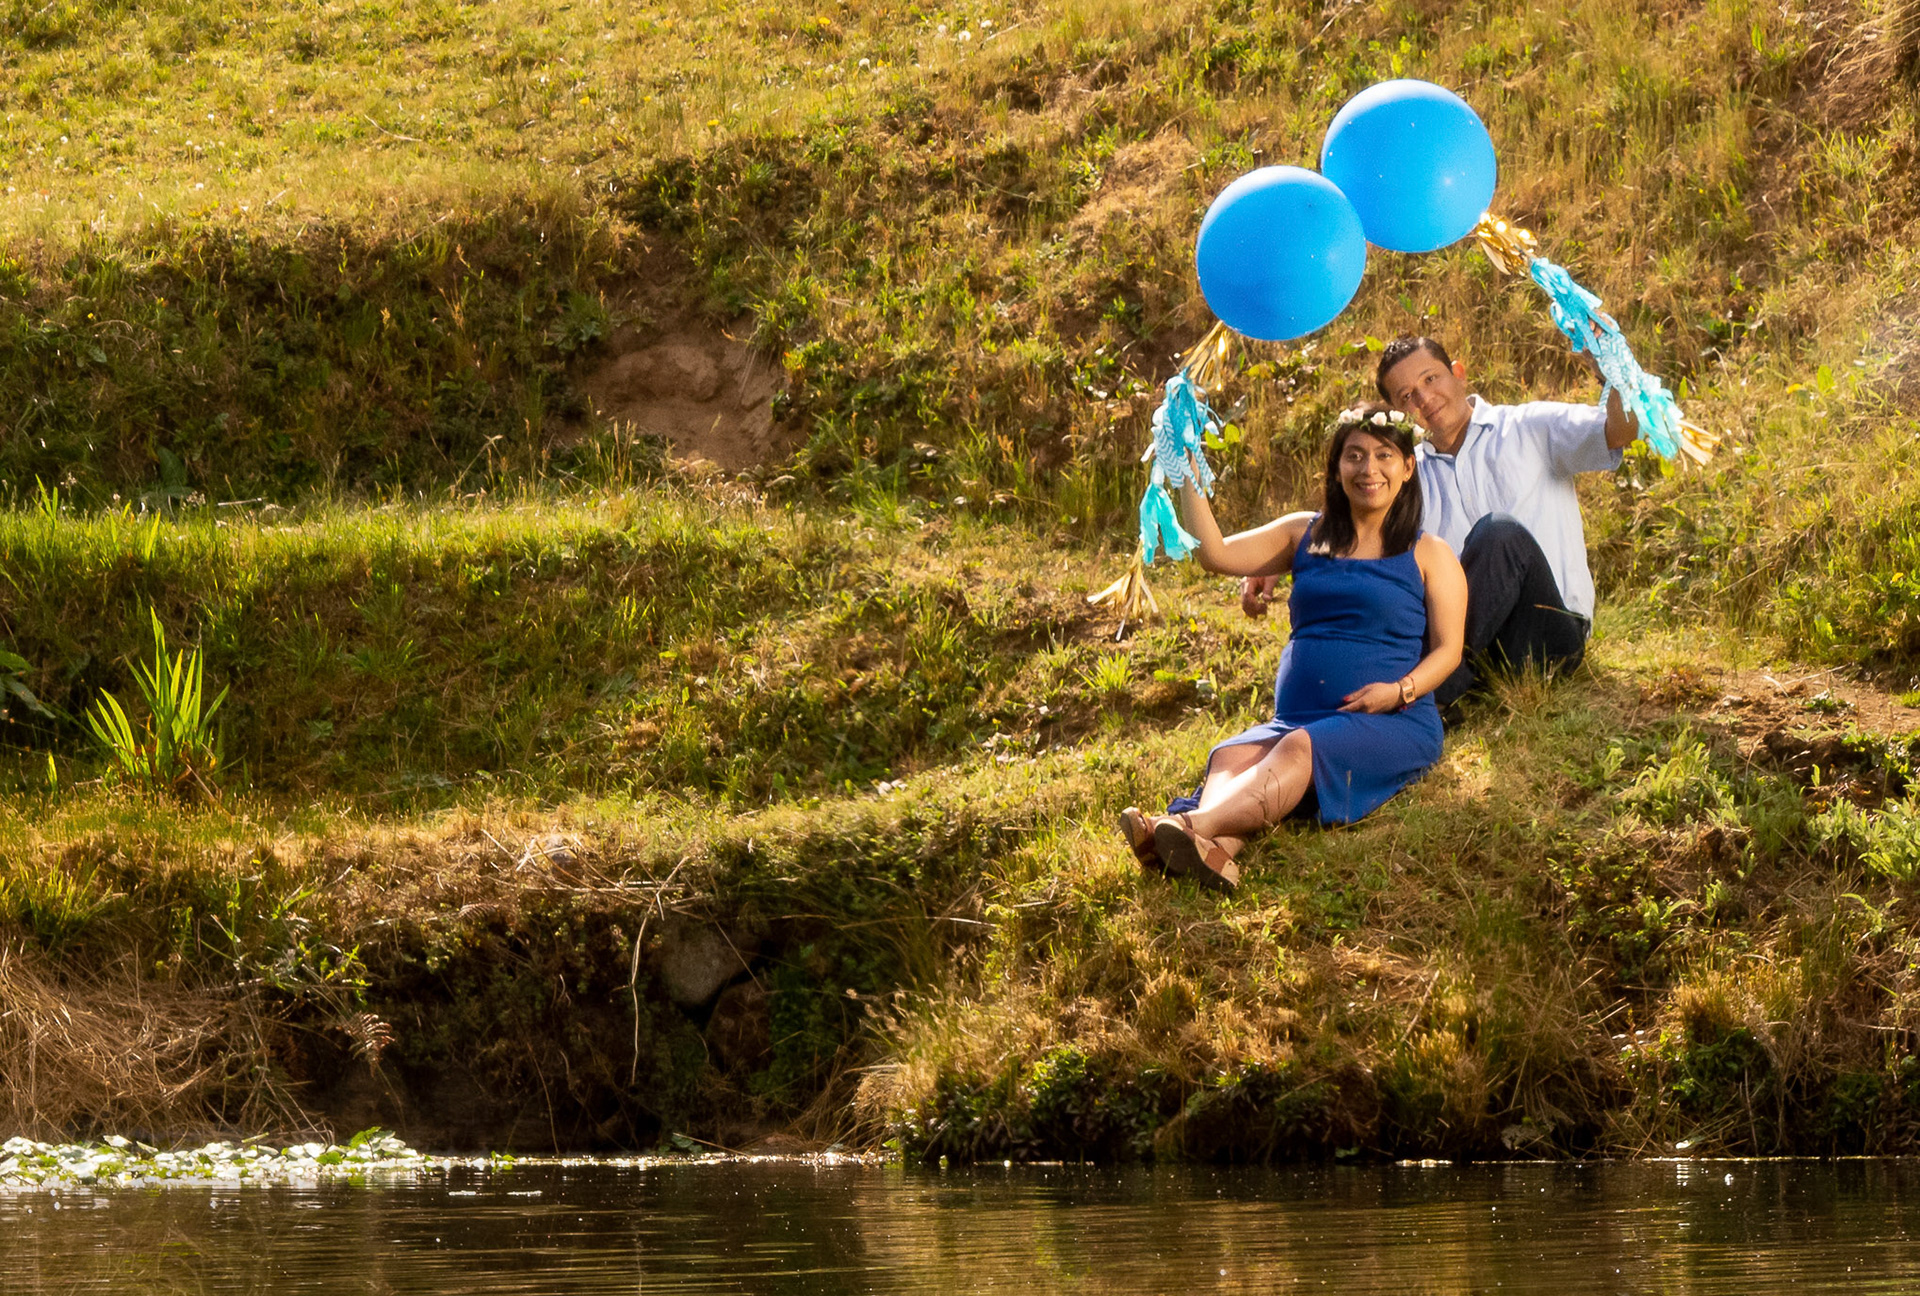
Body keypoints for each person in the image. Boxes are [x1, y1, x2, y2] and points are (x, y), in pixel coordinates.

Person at [1118, 403, 1467, 894]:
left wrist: (1398, 692)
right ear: (1336, 466)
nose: (1369, 469)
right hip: (1297, 716)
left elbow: (1449, 651)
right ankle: (1213, 850)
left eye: (1384, 455)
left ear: (1407, 467)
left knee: (1300, 748)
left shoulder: (1429, 552)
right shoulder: (1303, 533)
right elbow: (1214, 554)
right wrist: (1187, 466)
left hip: (1391, 720)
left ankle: (1191, 826)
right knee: (1230, 755)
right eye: (1355, 455)